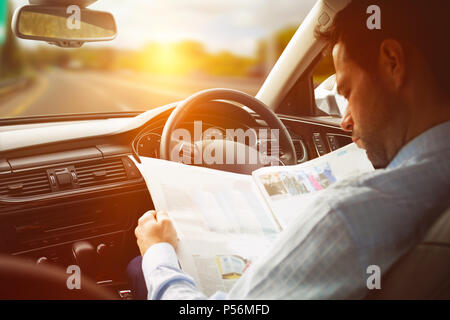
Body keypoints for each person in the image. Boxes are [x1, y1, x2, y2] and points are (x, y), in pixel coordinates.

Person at [128, 0, 450, 299]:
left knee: (136, 268)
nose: (345, 121)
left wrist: (158, 254)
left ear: (393, 62)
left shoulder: (349, 215)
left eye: (348, 92)